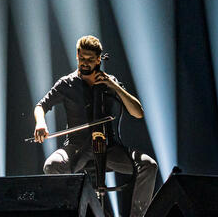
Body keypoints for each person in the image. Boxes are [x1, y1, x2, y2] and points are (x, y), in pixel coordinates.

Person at [33, 35, 157, 217]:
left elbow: (138, 112)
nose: (85, 63)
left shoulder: (110, 82)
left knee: (148, 165)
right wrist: (41, 123)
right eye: (82, 58)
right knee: (52, 166)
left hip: (109, 147)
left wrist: (114, 86)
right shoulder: (67, 83)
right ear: (77, 56)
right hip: (77, 146)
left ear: (99, 59)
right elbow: (41, 106)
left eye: (90, 59)